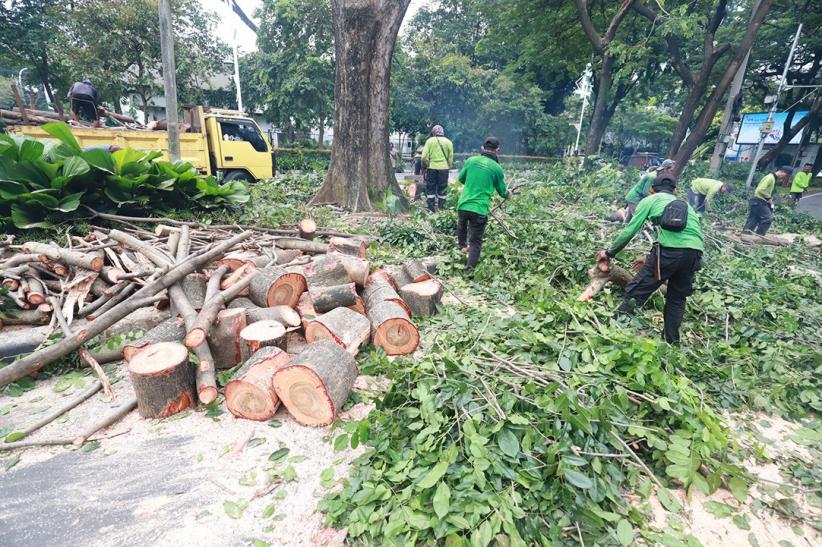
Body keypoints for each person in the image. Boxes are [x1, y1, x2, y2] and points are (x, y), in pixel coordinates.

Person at [597, 174, 703, 345]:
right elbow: (684, 239)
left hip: (669, 251)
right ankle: (671, 342)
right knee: (677, 298)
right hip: (695, 253)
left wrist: (609, 253)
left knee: (636, 290)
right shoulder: (686, 206)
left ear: (651, 189)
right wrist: (650, 257)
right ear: (674, 190)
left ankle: (615, 332)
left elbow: (630, 231)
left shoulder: (650, 200)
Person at [456, 137, 507, 272]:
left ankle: (461, 247)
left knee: (462, 226)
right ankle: (469, 270)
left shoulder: (471, 161)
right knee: (475, 241)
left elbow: (461, 179)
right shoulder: (497, 168)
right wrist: (509, 194)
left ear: (482, 148)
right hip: (479, 209)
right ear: (497, 150)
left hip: (463, 205)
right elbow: (502, 192)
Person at [743, 166, 792, 235]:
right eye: (786, 175)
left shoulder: (772, 178)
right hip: (759, 200)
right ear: (782, 171)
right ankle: (759, 236)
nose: (785, 177)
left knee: (754, 219)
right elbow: (760, 189)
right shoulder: (770, 177)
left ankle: (745, 235)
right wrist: (769, 197)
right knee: (767, 218)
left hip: (757, 200)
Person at [421, 125, 454, 212]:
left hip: (432, 168)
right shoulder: (449, 142)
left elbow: (423, 157)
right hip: (444, 169)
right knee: (443, 188)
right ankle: (441, 208)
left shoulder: (429, 141)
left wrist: (427, 164)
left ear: (433, 133)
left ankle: (431, 209)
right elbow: (450, 158)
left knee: (431, 188)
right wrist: (448, 166)